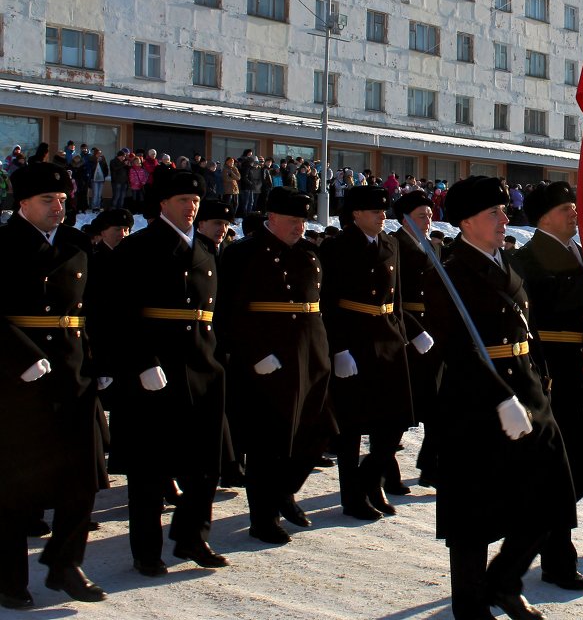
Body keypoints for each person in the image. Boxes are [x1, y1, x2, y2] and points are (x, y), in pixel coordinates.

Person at [424, 176, 574, 620]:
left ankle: (504, 581)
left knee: (552, 495)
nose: (505, 218)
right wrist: (499, 396)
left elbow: (526, 327)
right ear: (466, 222)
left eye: (504, 211)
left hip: (527, 393)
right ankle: (471, 607)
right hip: (477, 401)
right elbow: (454, 348)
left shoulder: (505, 263)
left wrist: (542, 377)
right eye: (494, 213)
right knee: (474, 513)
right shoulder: (450, 275)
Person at [95, 170, 229, 576]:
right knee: (150, 469)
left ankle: (191, 535)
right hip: (155, 370)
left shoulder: (204, 249)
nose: (191, 207)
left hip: (202, 366)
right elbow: (112, 313)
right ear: (162, 205)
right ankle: (146, 551)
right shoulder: (138, 248)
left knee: (205, 463)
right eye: (182, 200)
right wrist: (141, 361)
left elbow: (211, 314)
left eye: (194, 201)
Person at [0, 162, 107, 608]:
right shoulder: (2, 245)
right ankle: (9, 578)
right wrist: (20, 359)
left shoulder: (76, 248)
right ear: (22, 202)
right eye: (48, 199)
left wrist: (99, 362)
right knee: (15, 486)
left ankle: (65, 563)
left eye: (63, 200)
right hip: (18, 380)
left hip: (72, 374)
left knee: (84, 475)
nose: (58, 207)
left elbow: (90, 314)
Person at [512, 181, 583, 592]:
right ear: (542, 218)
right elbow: (547, 308)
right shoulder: (527, 258)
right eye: (565, 209)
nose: (575, 214)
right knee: (564, 466)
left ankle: (540, 529)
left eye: (575, 207)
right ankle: (556, 556)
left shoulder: (579, 251)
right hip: (554, 372)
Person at [217, 187, 335, 545]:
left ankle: (284, 490)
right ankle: (263, 518)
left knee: (317, 433)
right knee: (268, 443)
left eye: (302, 220)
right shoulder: (243, 254)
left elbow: (319, 305)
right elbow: (227, 312)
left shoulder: (310, 253)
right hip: (268, 359)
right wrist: (253, 354)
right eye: (292, 221)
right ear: (271, 218)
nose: (299, 227)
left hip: (311, 353)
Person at [320, 186, 417, 520]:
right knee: (352, 427)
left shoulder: (391, 244)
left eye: (383, 211)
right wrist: (339, 349)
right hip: (354, 338)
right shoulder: (337, 247)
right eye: (375, 211)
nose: (382, 217)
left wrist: (406, 332)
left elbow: (398, 297)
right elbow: (328, 302)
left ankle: (371, 480)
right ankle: (352, 496)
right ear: (357, 214)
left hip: (387, 336)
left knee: (392, 421)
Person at [390, 190, 440, 489]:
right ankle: (384, 465)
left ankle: (432, 466)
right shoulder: (395, 246)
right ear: (406, 218)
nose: (428, 221)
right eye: (422, 216)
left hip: (432, 331)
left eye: (430, 215)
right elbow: (392, 298)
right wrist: (412, 330)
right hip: (407, 332)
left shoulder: (429, 246)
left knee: (437, 404)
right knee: (402, 407)